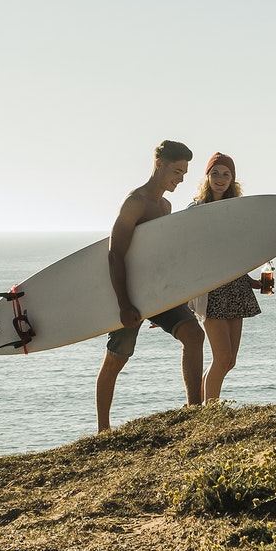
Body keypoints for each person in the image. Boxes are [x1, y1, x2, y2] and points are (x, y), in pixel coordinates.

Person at [96, 140, 206, 432]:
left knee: (194, 335)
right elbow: (115, 253)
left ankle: (195, 410)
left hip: (157, 294)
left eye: (184, 173)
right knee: (116, 358)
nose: (181, 178)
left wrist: (167, 298)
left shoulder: (165, 205)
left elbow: (159, 256)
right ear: (159, 164)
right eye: (177, 170)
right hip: (129, 295)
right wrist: (124, 304)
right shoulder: (136, 202)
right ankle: (103, 428)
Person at [190, 152, 269, 403]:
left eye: (226, 174)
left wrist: (251, 281)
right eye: (215, 173)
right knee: (222, 358)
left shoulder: (237, 210)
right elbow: (186, 254)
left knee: (230, 360)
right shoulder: (196, 210)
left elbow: (233, 258)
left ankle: (204, 408)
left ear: (233, 179)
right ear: (207, 177)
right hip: (211, 290)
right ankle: (209, 412)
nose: (220, 179)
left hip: (236, 289)